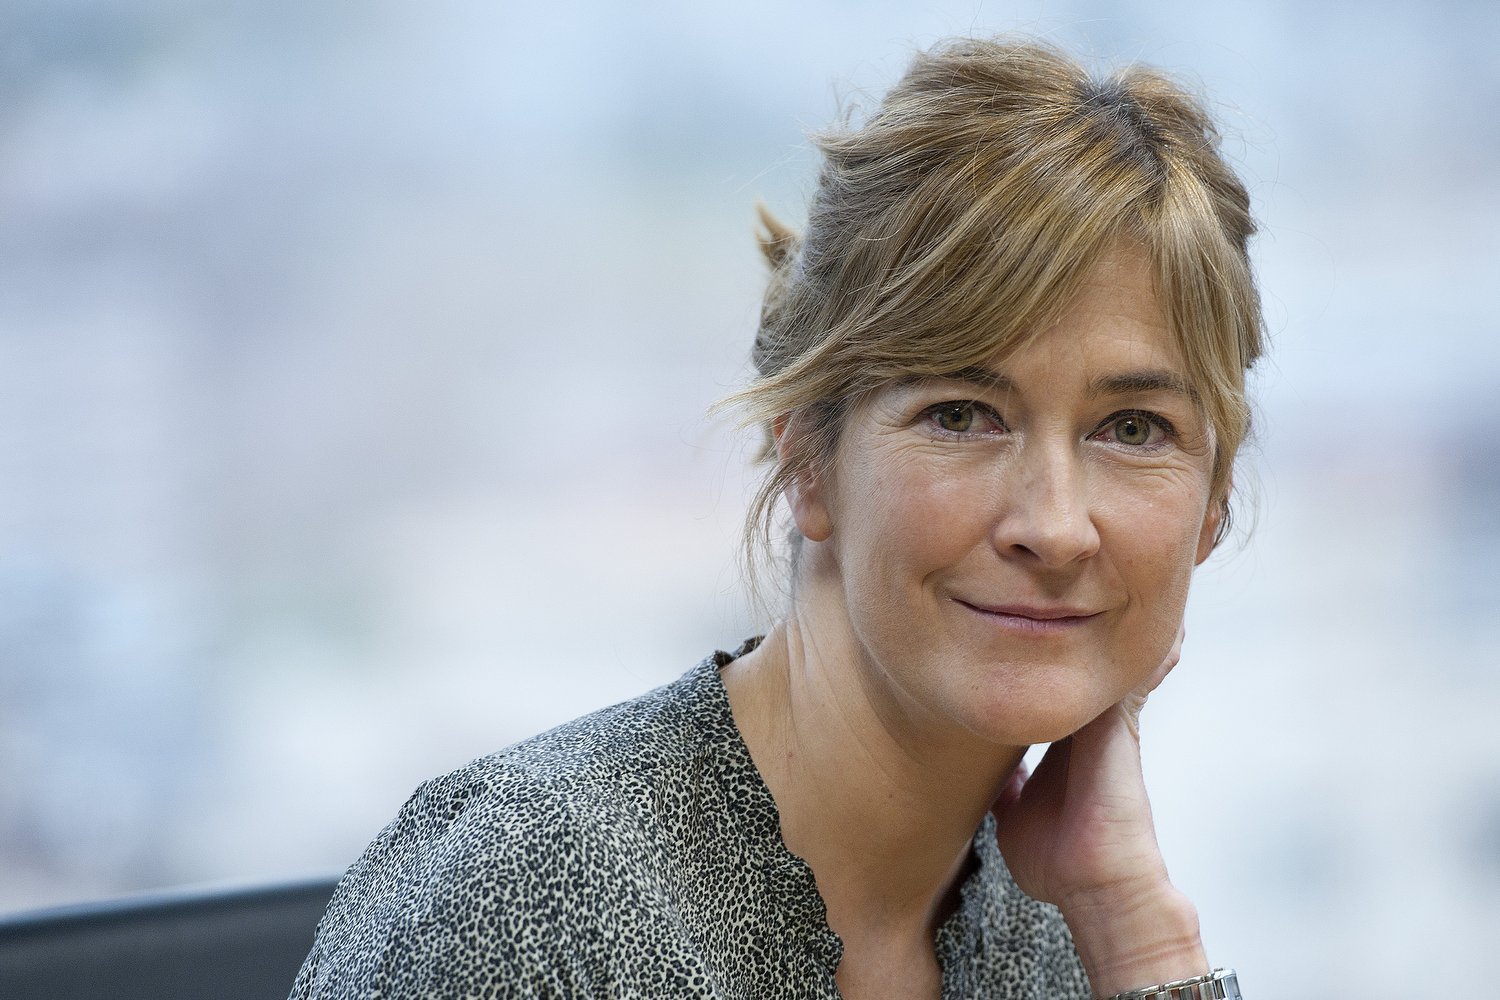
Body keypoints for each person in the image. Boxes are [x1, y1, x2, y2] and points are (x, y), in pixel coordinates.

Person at [291, 36, 1261, 1000]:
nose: (1053, 526)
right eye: (961, 415)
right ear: (808, 460)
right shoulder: (521, 910)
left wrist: (1137, 932)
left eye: (1134, 428)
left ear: (1212, 506)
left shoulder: (1063, 922)